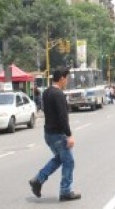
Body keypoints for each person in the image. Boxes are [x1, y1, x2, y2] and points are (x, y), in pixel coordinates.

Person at [30, 68, 81, 202]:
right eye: (67, 78)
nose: (67, 81)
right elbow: (62, 117)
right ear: (62, 78)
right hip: (58, 134)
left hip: (48, 133)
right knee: (69, 162)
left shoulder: (46, 92)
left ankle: (38, 180)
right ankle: (65, 192)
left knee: (60, 158)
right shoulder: (58, 94)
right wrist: (69, 135)